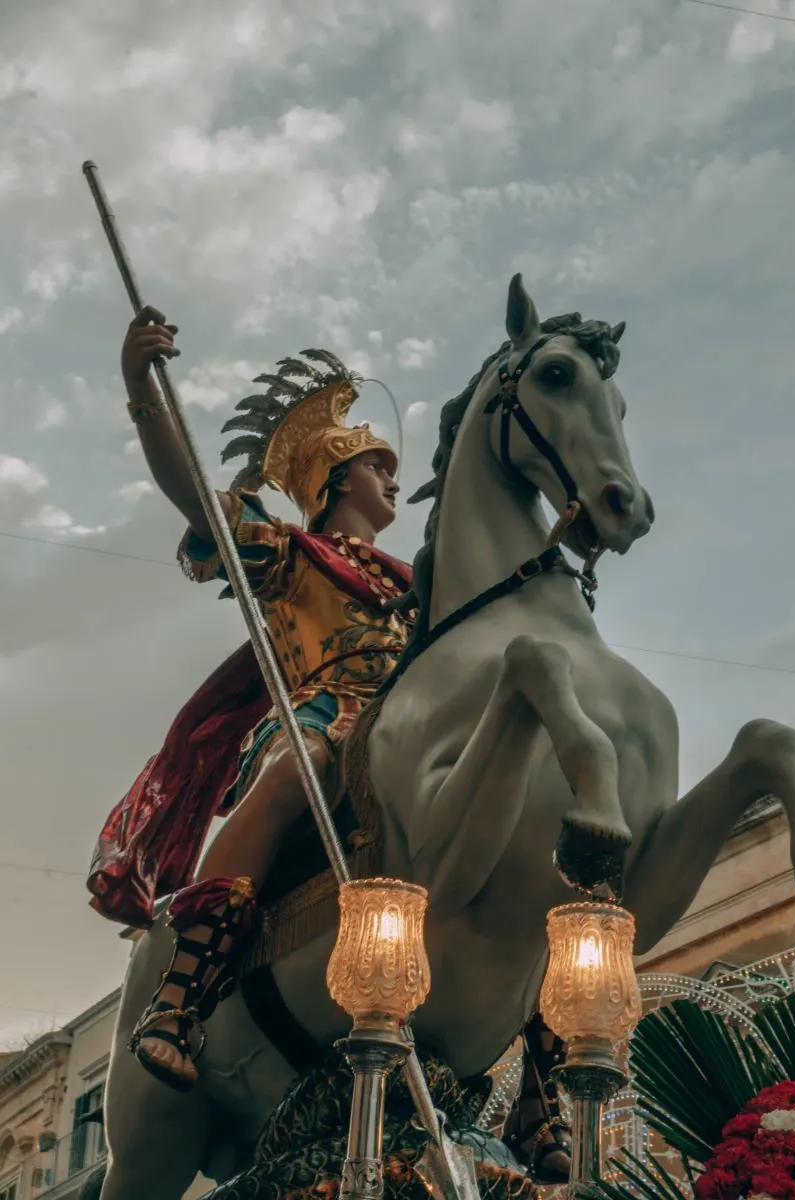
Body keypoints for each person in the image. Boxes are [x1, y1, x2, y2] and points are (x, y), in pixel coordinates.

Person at [94, 306, 414, 1092]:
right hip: (323, 719)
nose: (393, 478)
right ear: (337, 479)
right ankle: (180, 996)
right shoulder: (288, 556)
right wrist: (141, 388)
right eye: (378, 466)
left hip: (412, 728)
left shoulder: (415, 584)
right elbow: (197, 500)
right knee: (294, 773)